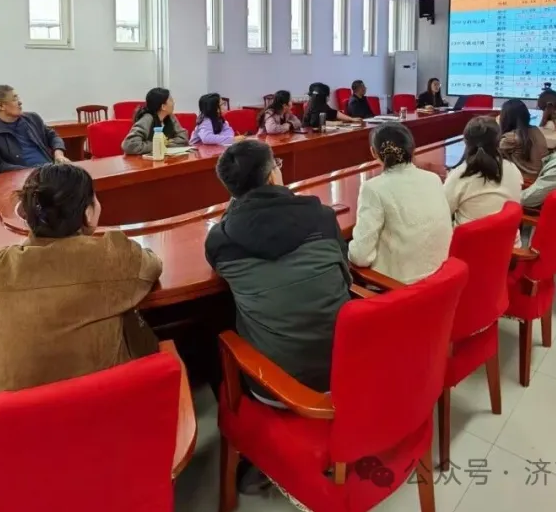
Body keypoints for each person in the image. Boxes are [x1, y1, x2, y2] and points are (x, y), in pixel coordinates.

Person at [0, 163, 163, 394]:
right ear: (88, 213)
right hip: (105, 407)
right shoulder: (110, 256)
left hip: (13, 415)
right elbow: (153, 264)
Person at [206, 139, 350, 397]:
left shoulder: (220, 241)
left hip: (275, 384)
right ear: (273, 176)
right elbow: (345, 279)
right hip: (345, 366)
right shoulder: (322, 217)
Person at [348, 123, 452, 283]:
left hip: (398, 286)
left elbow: (360, 257)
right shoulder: (433, 179)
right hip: (442, 279)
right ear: (412, 149)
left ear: (373, 152)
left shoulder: (373, 188)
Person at [444, 116, 523, 236]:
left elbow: (442, 212)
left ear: (465, 141)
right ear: (498, 141)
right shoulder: (513, 169)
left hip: (469, 244)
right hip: (508, 243)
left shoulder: (460, 175)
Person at [0, 84, 69, 168]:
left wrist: (59, 154)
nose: (20, 102)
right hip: (22, 175)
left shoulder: (32, 118)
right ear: (1, 105)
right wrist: (29, 171)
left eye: (18, 98)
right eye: (14, 99)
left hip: (49, 169)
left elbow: (53, 136)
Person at [122, 88, 189, 155]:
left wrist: (165, 144)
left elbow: (183, 139)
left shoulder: (170, 117)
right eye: (171, 100)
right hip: (142, 160)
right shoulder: (147, 118)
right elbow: (130, 145)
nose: (173, 103)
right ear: (163, 107)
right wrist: (158, 145)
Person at [498, 99, 549, 181]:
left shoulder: (510, 138)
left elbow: (494, 155)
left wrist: (497, 126)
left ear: (505, 118)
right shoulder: (536, 130)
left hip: (525, 180)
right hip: (541, 175)